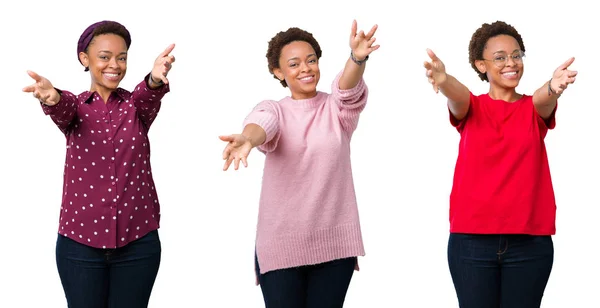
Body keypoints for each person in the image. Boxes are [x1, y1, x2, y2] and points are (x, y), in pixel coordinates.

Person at [219, 20, 379, 307]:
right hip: (281, 248)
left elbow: (347, 87)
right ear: (278, 72)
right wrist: (247, 138)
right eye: (294, 64)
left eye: (311, 61)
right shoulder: (274, 109)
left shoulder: (338, 111)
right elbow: (262, 124)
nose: (305, 68)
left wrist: (357, 58)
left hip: (334, 247)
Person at [22, 20, 175, 308]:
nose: (114, 65)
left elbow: (149, 92)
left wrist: (155, 78)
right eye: (104, 57)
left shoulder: (136, 107)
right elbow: (61, 106)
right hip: (79, 247)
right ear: (85, 59)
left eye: (122, 57)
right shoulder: (75, 107)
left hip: (138, 243)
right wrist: (51, 96)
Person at [424, 21, 577, 308]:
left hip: (530, 243)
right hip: (471, 243)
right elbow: (458, 96)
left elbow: (544, 99)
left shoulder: (532, 109)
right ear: (481, 65)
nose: (511, 63)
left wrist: (553, 88)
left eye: (517, 55)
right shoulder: (472, 108)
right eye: (500, 57)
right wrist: (444, 80)